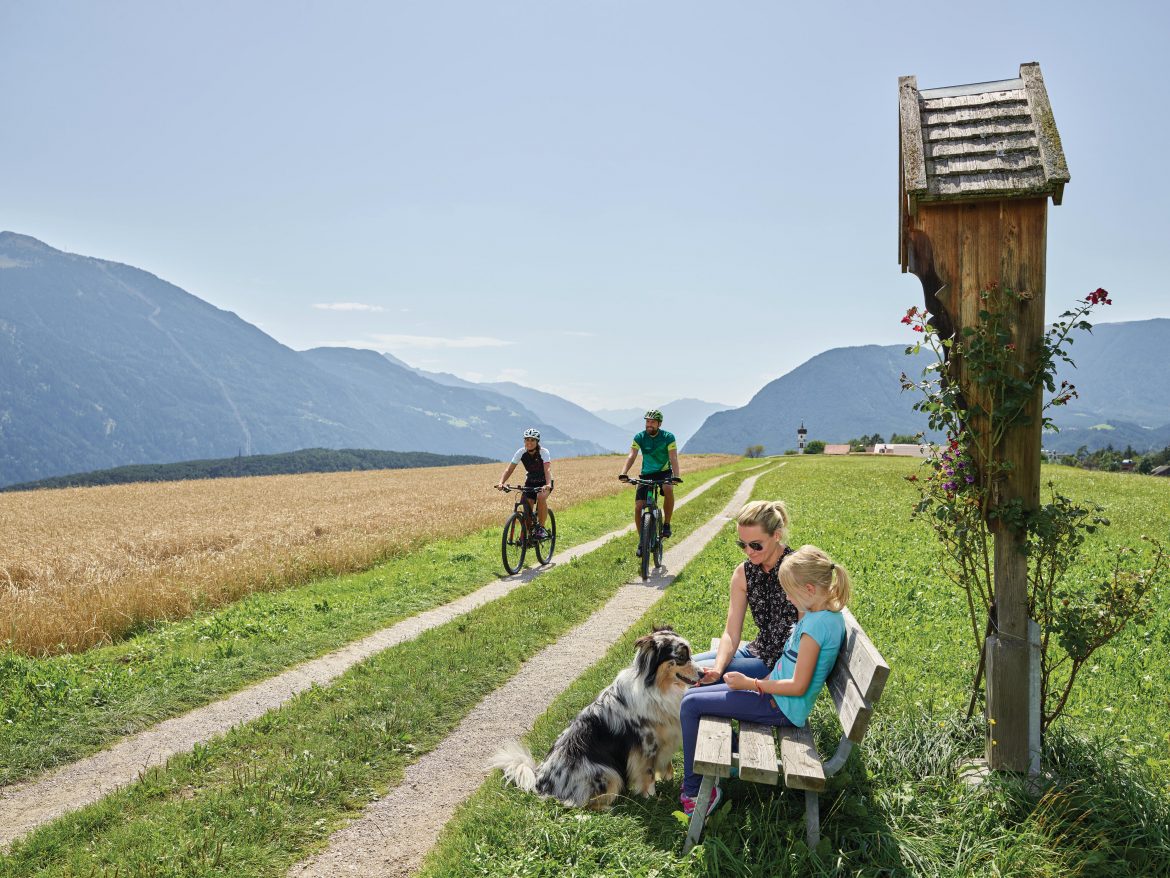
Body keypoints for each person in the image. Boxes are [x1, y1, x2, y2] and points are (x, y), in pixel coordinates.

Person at [677, 544, 852, 816]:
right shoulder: (819, 614)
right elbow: (788, 662)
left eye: (790, 594)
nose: (789, 601)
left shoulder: (818, 626)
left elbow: (798, 686)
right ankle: (728, 757)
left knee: (690, 705)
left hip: (781, 706)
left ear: (808, 590)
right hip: (774, 697)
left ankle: (697, 789)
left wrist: (752, 684)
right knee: (691, 697)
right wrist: (761, 681)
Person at [692, 500, 798, 684]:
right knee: (685, 664)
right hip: (755, 650)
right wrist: (718, 669)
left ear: (777, 535)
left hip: (776, 664)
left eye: (756, 545)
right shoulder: (744, 573)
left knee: (686, 677)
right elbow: (731, 632)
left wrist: (718, 671)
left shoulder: (796, 570)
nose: (749, 551)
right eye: (743, 545)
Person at [618, 409, 681, 552]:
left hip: (664, 472)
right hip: (646, 474)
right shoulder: (639, 437)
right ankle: (642, 542)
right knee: (639, 506)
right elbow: (632, 456)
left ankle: (666, 524)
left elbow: (673, 458)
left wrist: (676, 475)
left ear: (659, 424)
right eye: (647, 422)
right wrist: (624, 473)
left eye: (652, 422)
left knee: (668, 488)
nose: (649, 424)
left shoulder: (668, 437)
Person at [496, 428, 553, 536]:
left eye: (532, 440)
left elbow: (547, 469)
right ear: (524, 441)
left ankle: (541, 528)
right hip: (530, 482)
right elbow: (509, 469)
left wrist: (548, 484)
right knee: (527, 505)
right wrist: (501, 482)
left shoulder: (543, 452)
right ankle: (528, 533)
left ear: (537, 442)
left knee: (541, 497)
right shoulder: (521, 452)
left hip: (544, 481)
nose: (529, 443)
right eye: (527, 440)